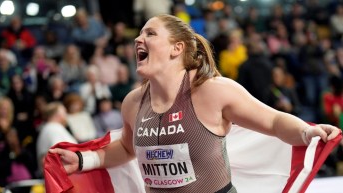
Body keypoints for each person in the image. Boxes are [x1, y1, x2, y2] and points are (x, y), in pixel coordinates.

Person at [50, 14, 341, 193]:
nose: (138, 38)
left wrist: (305, 132)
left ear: (178, 48)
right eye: (139, 33)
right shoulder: (133, 102)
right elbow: (127, 148)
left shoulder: (212, 91)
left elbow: (275, 121)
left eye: (150, 33)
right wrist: (84, 160)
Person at [36, 102, 77, 176]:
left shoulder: (52, 128)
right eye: (64, 112)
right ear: (57, 114)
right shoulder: (53, 128)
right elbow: (60, 153)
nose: (66, 115)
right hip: (62, 177)